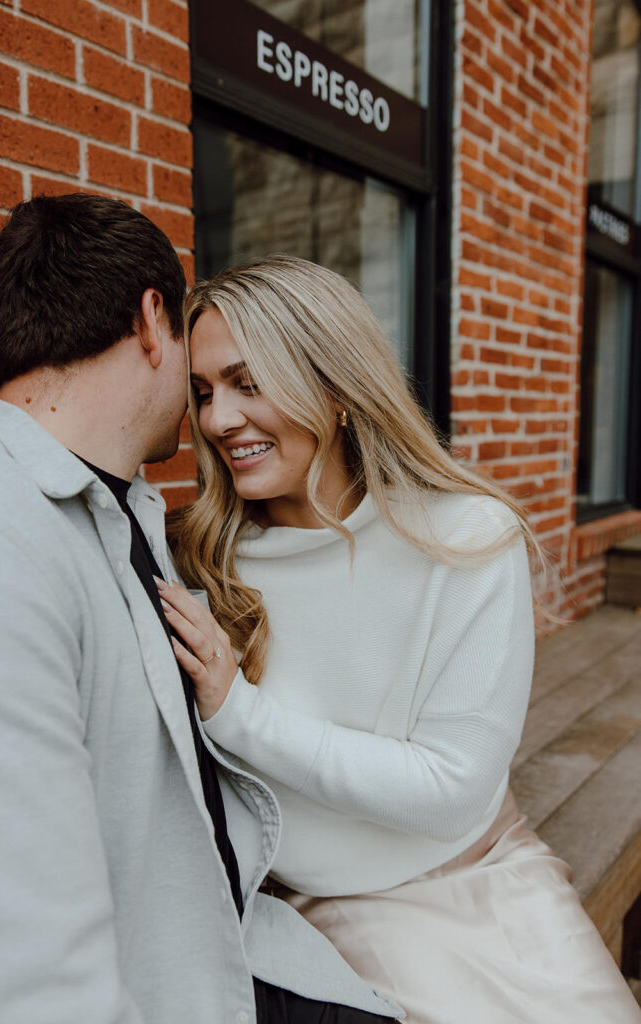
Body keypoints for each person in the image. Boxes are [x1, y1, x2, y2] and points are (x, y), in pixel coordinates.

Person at [162, 255, 641, 1023]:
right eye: (204, 392)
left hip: (477, 873)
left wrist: (238, 712)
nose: (217, 420)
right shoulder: (200, 558)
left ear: (336, 388)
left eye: (248, 384)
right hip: (308, 901)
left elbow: (451, 787)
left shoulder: (464, 538)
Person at [0, 197, 403, 1024]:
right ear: (154, 321)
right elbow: (24, 964)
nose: (211, 417)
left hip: (234, 941)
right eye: (200, 386)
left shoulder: (112, 503)